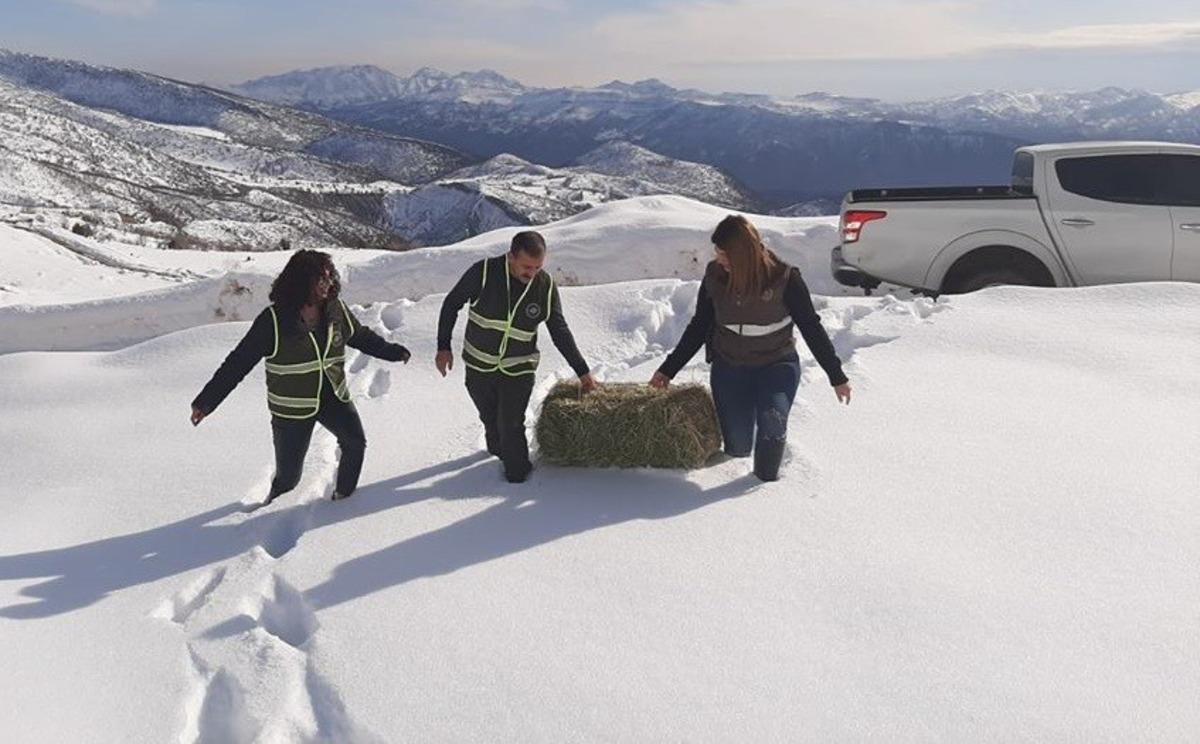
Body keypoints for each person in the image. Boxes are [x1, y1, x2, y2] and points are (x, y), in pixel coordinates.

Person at [190, 249, 411, 505]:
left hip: (332, 394)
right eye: (321, 278)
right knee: (289, 478)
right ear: (301, 281)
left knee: (355, 442)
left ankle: (342, 502)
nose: (328, 283)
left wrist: (392, 352)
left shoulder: (335, 309)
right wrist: (206, 402)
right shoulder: (273, 321)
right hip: (291, 408)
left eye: (330, 277)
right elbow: (237, 364)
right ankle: (268, 508)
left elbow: (359, 335)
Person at [650, 215, 851, 481]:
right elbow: (699, 326)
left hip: (777, 366)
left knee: (772, 422)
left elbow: (811, 327)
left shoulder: (785, 279)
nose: (719, 259)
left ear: (744, 255)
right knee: (738, 447)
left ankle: (766, 488)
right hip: (729, 367)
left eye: (725, 254)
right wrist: (668, 370)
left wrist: (836, 375)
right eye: (717, 252)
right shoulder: (715, 276)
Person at [437, 231, 596, 483]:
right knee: (490, 418)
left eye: (537, 267)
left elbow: (559, 329)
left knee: (511, 423)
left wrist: (582, 371)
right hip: (479, 364)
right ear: (511, 256)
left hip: (519, 367)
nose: (531, 273)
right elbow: (451, 304)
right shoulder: (484, 273)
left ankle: (518, 477)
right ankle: (495, 447)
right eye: (526, 266)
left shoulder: (544, 286)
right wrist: (443, 347)